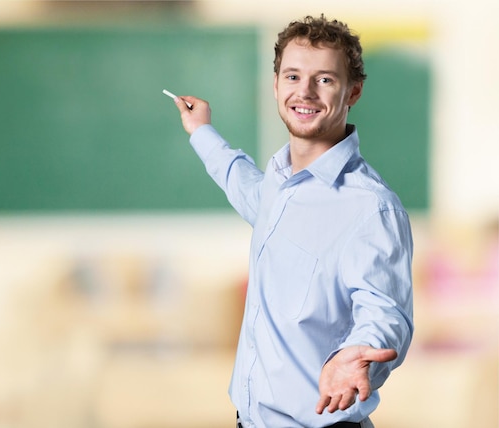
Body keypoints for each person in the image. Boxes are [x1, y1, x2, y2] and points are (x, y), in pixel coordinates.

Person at [169, 15, 414, 428]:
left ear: (353, 90)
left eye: (324, 80)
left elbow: (386, 314)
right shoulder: (278, 185)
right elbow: (241, 182)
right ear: (276, 85)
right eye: (293, 76)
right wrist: (201, 131)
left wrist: (359, 355)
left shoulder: (371, 208)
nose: (304, 91)